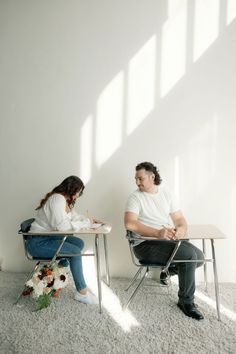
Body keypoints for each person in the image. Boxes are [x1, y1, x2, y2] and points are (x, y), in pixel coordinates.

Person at [124, 162, 204, 320]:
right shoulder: (135, 197)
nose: (137, 182)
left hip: (166, 240)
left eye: (140, 178)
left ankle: (166, 271)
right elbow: (130, 223)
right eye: (136, 179)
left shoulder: (167, 194)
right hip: (144, 244)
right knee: (189, 256)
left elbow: (180, 219)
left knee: (199, 257)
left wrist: (181, 229)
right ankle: (186, 302)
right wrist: (157, 233)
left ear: (152, 177)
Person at [27, 175, 98, 305]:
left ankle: (58, 271)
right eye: (78, 192)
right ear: (72, 189)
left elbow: (74, 217)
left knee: (78, 243)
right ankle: (82, 292)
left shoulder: (64, 201)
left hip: (48, 238)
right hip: (38, 243)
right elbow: (61, 226)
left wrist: (88, 222)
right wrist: (86, 223)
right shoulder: (57, 199)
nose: (78, 196)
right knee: (75, 252)